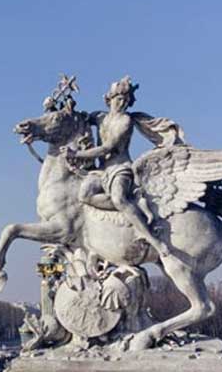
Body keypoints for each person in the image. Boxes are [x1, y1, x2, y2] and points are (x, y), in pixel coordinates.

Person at [66, 75, 172, 258]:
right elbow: (79, 119)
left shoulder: (125, 121)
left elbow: (108, 147)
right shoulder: (99, 117)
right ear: (109, 99)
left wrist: (77, 154)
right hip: (101, 171)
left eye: (125, 100)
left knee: (118, 199)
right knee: (83, 195)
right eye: (119, 99)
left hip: (120, 169)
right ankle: (133, 207)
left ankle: (149, 237)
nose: (122, 103)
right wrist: (66, 105)